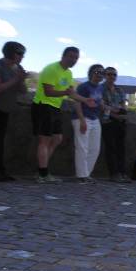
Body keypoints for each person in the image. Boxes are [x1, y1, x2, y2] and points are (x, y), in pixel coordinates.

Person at [32, 47, 96, 183]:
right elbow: (48, 92)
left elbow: (71, 93)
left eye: (76, 58)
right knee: (44, 140)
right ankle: (43, 174)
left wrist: (85, 100)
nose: (73, 60)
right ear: (63, 56)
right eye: (71, 57)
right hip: (43, 105)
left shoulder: (68, 73)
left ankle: (40, 170)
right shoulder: (51, 69)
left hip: (55, 107)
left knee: (57, 139)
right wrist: (65, 93)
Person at [0, 41, 28, 181]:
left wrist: (21, 80)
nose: (22, 57)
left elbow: (23, 91)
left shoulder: (18, 67)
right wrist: (16, 79)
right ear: (10, 52)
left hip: (6, 109)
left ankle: (0, 170)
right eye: (20, 53)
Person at [72, 64, 105, 184]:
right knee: (82, 147)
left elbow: (99, 100)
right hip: (82, 117)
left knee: (95, 148)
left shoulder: (100, 88)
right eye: (97, 72)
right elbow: (77, 103)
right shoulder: (83, 87)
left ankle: (87, 173)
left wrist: (103, 105)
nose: (100, 74)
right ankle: (81, 175)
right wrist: (81, 120)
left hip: (95, 118)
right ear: (91, 73)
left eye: (102, 72)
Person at [101, 67, 130, 182]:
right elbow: (102, 107)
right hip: (107, 121)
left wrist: (117, 111)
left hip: (120, 122)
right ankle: (113, 174)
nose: (112, 76)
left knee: (121, 148)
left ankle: (122, 173)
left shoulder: (119, 90)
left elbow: (123, 106)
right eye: (109, 74)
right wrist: (115, 112)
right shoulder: (101, 89)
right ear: (105, 75)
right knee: (110, 148)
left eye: (114, 74)